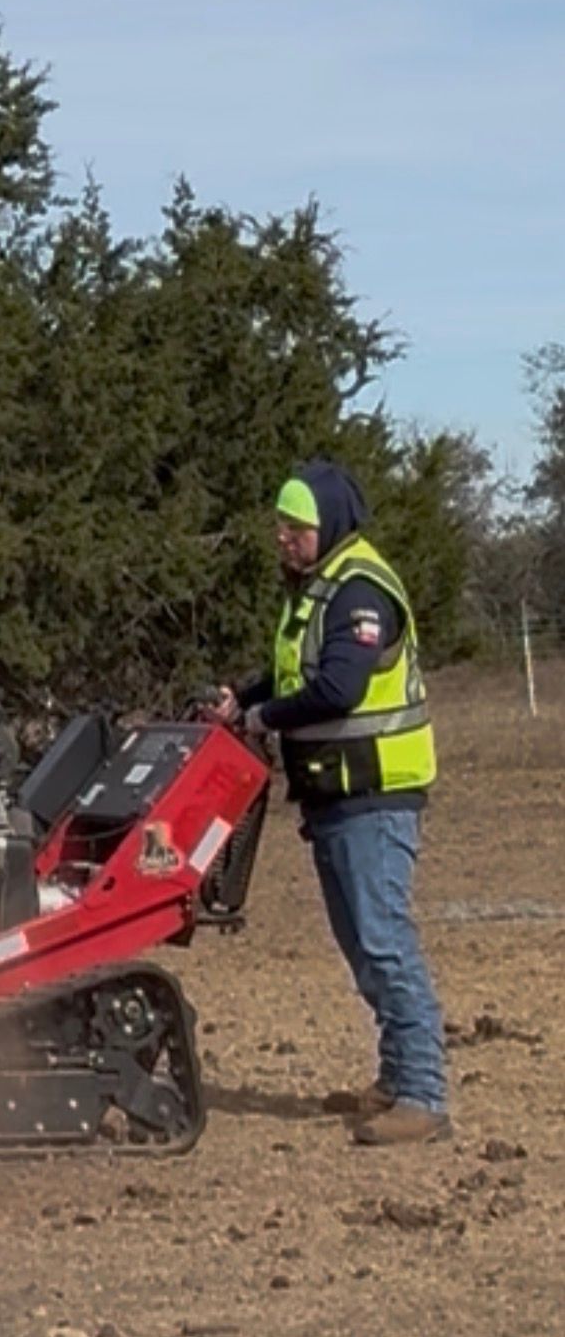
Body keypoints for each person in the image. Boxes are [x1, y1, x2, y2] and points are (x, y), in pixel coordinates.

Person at [209, 459, 448, 1145]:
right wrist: (243, 696)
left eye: (297, 526)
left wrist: (261, 720)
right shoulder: (319, 588)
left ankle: (425, 1093)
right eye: (281, 526)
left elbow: (337, 687)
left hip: (376, 793)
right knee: (361, 943)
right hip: (335, 796)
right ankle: (398, 1076)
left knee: (383, 939)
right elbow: (294, 673)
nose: (284, 538)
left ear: (330, 524)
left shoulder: (360, 592)